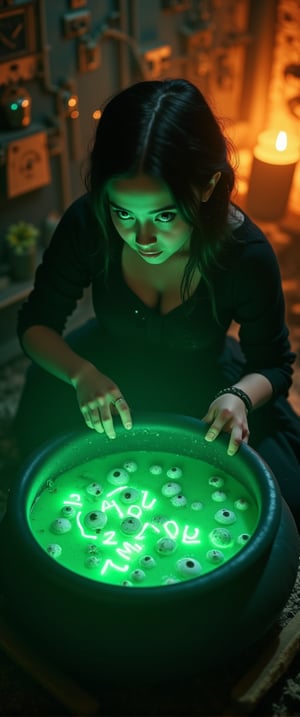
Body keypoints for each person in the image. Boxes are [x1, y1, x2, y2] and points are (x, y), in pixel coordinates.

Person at [14, 78, 300, 526]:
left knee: (280, 500)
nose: (142, 237)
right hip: (103, 375)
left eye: (165, 215)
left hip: (206, 385)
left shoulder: (245, 253)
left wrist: (240, 397)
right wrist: (81, 374)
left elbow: (275, 363)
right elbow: (36, 325)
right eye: (123, 212)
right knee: (46, 484)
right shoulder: (88, 223)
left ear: (206, 187)